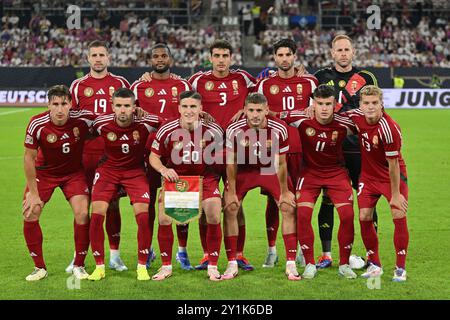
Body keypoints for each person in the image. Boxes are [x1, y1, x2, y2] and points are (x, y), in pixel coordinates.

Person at [188, 39, 257, 271]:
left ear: (231, 58)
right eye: (216, 55)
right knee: (206, 206)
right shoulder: (198, 80)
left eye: (225, 55)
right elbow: (184, 98)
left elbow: (263, 92)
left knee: (234, 204)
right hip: (207, 150)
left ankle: (239, 254)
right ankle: (208, 255)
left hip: (236, 150)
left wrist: (245, 107)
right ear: (210, 57)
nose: (220, 60)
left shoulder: (243, 79)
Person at [313, 34, 379, 269]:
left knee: (368, 202)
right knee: (328, 200)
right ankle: (326, 254)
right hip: (332, 151)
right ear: (332, 53)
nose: (343, 53)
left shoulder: (366, 77)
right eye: (338, 50)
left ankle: (372, 256)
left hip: (362, 151)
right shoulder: (320, 77)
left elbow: (375, 110)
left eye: (346, 49)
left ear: (353, 52)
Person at [280, 85, 357, 279]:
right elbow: (272, 114)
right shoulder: (300, 118)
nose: (324, 108)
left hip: (336, 173)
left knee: (347, 216)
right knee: (304, 215)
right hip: (310, 174)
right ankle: (309, 263)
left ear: (334, 105)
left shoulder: (345, 123)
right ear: (313, 104)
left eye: (328, 104)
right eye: (320, 103)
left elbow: (369, 124)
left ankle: (345, 264)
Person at [67, 40, 130, 273]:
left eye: (102, 54)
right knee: (82, 205)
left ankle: (114, 255)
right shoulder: (77, 85)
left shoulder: (121, 83)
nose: (98, 59)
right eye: (94, 55)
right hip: (85, 155)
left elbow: (132, 112)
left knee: (112, 203)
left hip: (112, 155)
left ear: (109, 58)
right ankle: (78, 255)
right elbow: (71, 121)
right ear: (88, 58)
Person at [222, 93, 300, 281]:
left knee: (288, 206)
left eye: (259, 110)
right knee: (230, 208)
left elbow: (281, 163)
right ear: (245, 111)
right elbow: (231, 162)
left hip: (268, 169)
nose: (255, 114)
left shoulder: (279, 128)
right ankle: (232, 262)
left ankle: (291, 263)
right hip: (245, 170)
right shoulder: (234, 129)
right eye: (251, 110)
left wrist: (284, 192)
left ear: (266, 110)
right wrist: (231, 191)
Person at [148, 90, 224, 281]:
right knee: (164, 217)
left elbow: (226, 158)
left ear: (200, 108)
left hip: (205, 178)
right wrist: (164, 170)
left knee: (214, 211)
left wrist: (228, 183)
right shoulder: (167, 129)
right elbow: (153, 156)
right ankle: (166, 267)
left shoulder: (214, 130)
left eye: (193, 106)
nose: (189, 110)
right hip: (178, 179)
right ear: (179, 108)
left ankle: (213, 265)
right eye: (185, 106)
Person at [87, 88, 162, 281]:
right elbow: (81, 132)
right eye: (118, 106)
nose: (122, 110)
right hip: (108, 170)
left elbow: (168, 124)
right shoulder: (101, 123)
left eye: (127, 106)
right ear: (112, 106)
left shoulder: (146, 122)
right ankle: (99, 267)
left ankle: (141, 266)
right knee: (96, 215)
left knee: (143, 216)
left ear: (134, 107)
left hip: (135, 172)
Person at [255, 38, 318, 268]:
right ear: (275, 58)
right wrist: (292, 114)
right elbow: (256, 112)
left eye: (287, 55)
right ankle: (272, 250)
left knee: (301, 200)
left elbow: (321, 109)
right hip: (271, 151)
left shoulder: (310, 82)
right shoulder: (264, 85)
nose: (284, 59)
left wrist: (284, 115)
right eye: (280, 55)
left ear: (294, 56)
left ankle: (302, 249)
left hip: (303, 150)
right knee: (273, 201)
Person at [131, 43, 193, 270]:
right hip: (149, 151)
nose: (160, 59)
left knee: (180, 204)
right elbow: (127, 111)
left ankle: (182, 252)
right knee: (147, 205)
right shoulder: (139, 85)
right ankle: (147, 250)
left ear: (171, 59)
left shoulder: (182, 84)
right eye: (155, 56)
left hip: (178, 152)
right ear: (150, 60)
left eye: (164, 55)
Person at [22, 85, 93, 281]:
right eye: (55, 104)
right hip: (44, 174)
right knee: (31, 212)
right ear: (48, 105)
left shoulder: (83, 119)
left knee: (82, 213)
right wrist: (33, 193)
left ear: (71, 104)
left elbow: (109, 119)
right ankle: (39, 268)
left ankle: (79, 264)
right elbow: (28, 158)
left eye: (64, 104)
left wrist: (136, 111)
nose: (60, 109)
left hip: (73, 173)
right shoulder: (37, 123)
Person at [346, 85, 409, 282]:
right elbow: (339, 117)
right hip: (368, 177)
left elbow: (393, 164)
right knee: (364, 216)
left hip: (392, 177)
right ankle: (375, 264)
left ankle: (400, 267)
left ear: (382, 104)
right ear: (361, 104)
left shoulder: (389, 128)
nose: (370, 107)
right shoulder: (356, 116)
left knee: (398, 213)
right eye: (366, 103)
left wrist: (396, 194)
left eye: (375, 103)